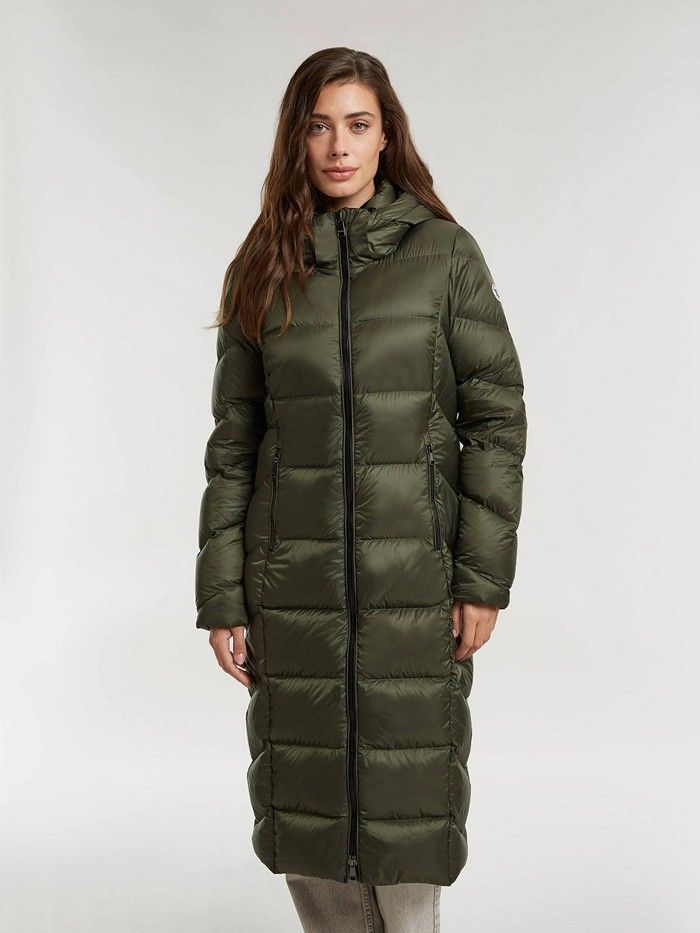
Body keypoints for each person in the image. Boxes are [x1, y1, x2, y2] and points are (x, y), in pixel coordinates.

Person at [195, 46, 527, 933]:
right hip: (293, 597)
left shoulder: (444, 256)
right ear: (295, 140)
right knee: (312, 844)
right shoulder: (264, 267)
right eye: (319, 126)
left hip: (413, 594)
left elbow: (495, 419)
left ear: (387, 136)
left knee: (409, 839)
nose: (338, 146)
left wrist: (480, 580)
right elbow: (235, 445)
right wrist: (223, 596)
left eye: (358, 124)